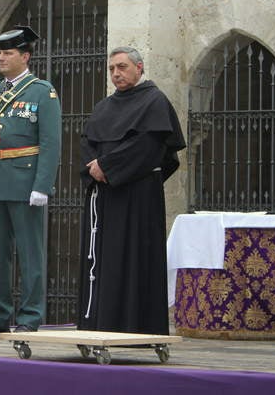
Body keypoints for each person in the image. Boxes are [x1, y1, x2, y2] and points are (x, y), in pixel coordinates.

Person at [77, 46, 185, 335]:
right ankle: (99, 324)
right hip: (104, 198)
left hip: (138, 198)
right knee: (103, 263)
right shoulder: (104, 107)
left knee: (134, 262)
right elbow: (87, 142)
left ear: (139, 68)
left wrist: (108, 167)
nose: (116, 73)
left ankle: (133, 328)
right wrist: (95, 168)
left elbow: (148, 148)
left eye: (122, 67)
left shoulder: (155, 102)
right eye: (112, 68)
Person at [0, 25, 62, 336]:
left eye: (8, 53)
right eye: (0, 52)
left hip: (26, 181)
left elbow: (51, 143)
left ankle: (30, 315)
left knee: (29, 251)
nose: (2, 57)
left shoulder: (42, 91)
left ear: (25, 56)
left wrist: (42, 185)